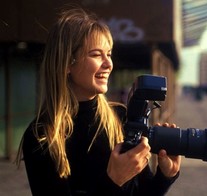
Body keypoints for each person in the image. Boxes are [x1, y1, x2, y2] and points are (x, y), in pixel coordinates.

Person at [16, 7, 181, 196]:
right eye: (96, 54)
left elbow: (142, 192)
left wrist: (165, 176)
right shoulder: (42, 135)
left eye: (109, 54)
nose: (108, 64)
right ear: (67, 63)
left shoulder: (121, 118)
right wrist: (114, 180)